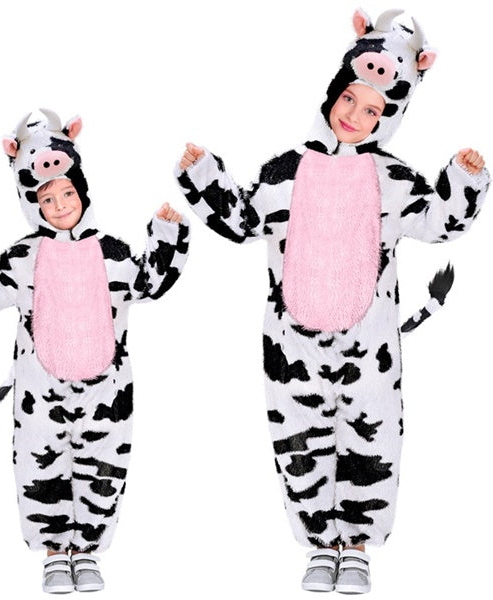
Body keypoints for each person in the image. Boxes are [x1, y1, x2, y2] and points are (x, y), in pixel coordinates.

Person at [176, 8, 488, 595]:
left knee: (373, 439)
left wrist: (463, 180)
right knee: (299, 440)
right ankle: (320, 542)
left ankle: (359, 544)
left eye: (372, 110)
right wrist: (204, 175)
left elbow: (437, 223)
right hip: (290, 345)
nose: (354, 116)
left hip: (370, 347)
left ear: (391, 116)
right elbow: (243, 221)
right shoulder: (287, 171)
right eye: (349, 99)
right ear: (333, 92)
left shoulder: (393, 179)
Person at [0, 109, 190, 594]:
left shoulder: (110, 253)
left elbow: (148, 283)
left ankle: (89, 550)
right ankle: (55, 552)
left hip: (107, 393)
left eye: (67, 194)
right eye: (46, 198)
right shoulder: (25, 257)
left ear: (82, 191)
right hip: (40, 392)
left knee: (103, 466)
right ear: (30, 202)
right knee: (41, 465)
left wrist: (166, 234)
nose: (59, 206)